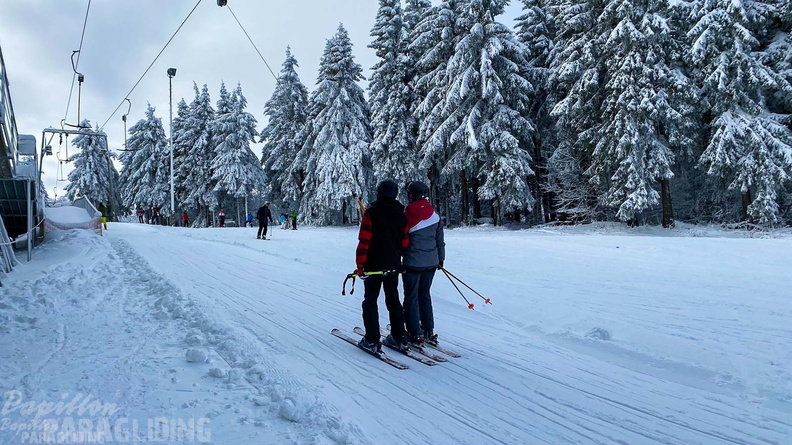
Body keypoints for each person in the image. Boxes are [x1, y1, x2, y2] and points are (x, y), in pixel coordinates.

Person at [355, 180, 410, 354]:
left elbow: (364, 241)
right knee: (393, 300)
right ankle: (399, 336)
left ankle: (372, 339)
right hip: (393, 265)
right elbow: (405, 242)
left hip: (372, 266)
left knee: (370, 301)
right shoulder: (402, 215)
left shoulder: (371, 213)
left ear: (379, 192)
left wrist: (360, 266)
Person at [402, 181, 445, 346]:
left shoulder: (407, 214)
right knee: (424, 295)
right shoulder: (434, 215)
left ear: (411, 195)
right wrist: (440, 260)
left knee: (411, 297)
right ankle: (428, 330)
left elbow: (403, 240)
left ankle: (415, 333)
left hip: (413, 263)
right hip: (432, 262)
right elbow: (440, 241)